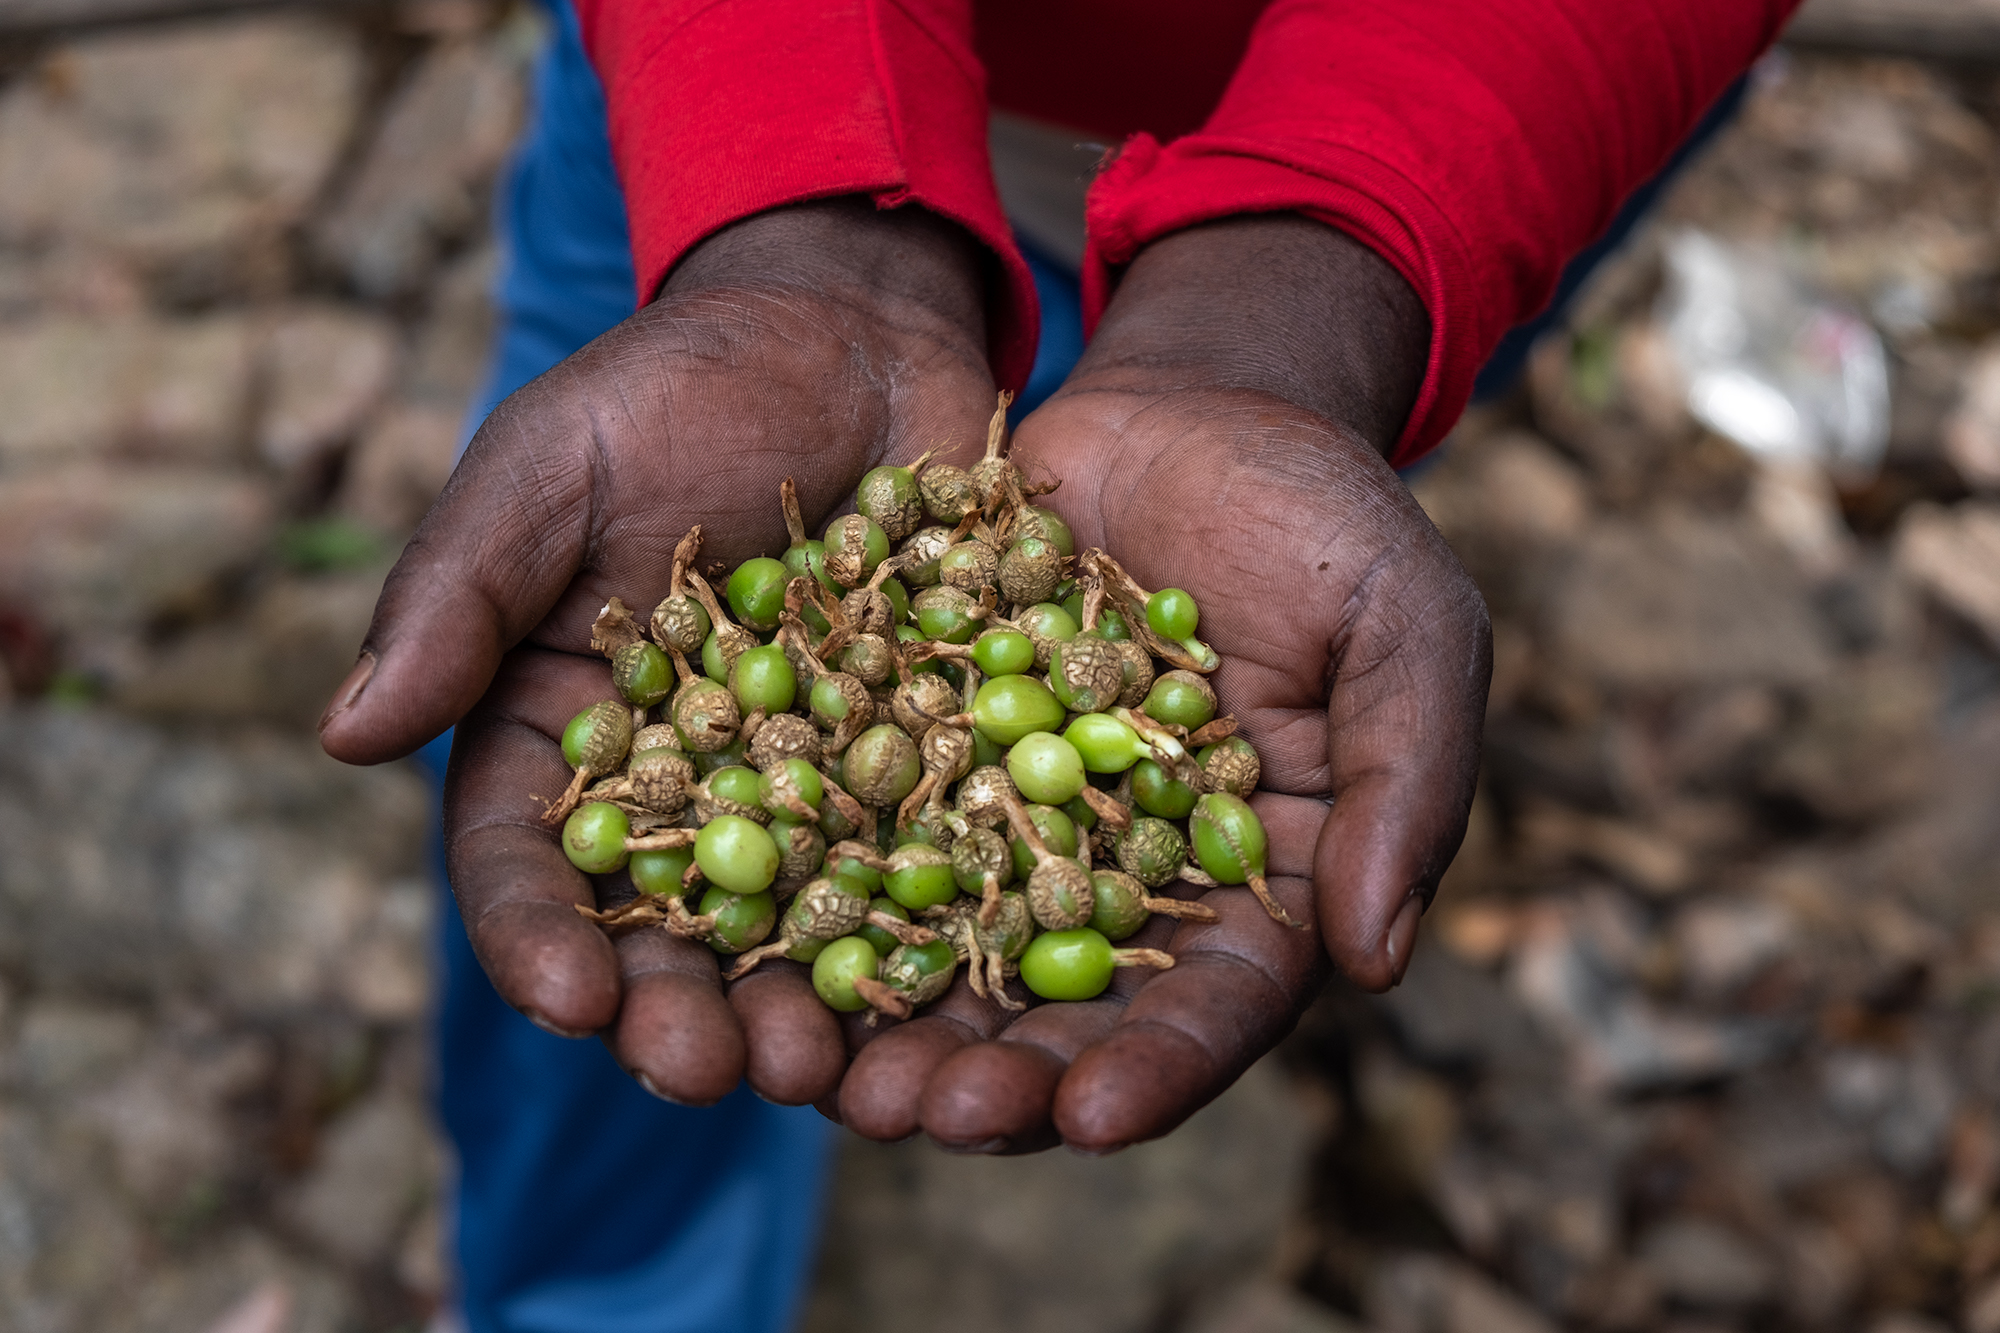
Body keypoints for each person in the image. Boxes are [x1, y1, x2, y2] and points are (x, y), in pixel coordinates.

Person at [320, 2, 1799, 1328]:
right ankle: (599, 1294)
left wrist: (1305, 298)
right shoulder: (806, 688)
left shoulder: (1031, 733)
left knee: (1275, 532)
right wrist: (791, 192)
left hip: (1429, 135)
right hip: (737, 91)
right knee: (572, 763)